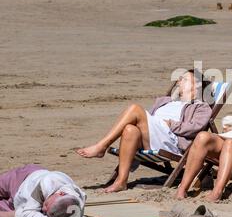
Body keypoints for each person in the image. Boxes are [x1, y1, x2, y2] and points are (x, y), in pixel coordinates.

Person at [76, 69, 212, 193]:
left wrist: (171, 124)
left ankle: (102, 146)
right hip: (152, 134)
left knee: (135, 109)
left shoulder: (201, 107)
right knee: (130, 130)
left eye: (184, 79)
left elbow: (196, 128)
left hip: (170, 140)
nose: (178, 81)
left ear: (197, 85)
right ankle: (121, 181)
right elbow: (149, 119)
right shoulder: (166, 101)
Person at [0, 164, 86, 217]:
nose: (43, 208)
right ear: (60, 193)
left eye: (46, 212)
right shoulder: (44, 184)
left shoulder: (78, 200)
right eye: (47, 205)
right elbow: (26, 215)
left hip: (17, 203)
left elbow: (24, 215)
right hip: (22, 177)